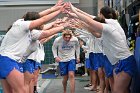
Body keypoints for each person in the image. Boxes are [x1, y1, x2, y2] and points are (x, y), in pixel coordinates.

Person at [68, 4, 136, 93]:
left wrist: (75, 12)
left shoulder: (110, 26)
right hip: (118, 61)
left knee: (117, 90)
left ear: (102, 15)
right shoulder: (111, 24)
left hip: (124, 61)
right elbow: (93, 24)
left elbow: (91, 21)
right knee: (121, 89)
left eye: (99, 15)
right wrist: (76, 13)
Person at [0, 2, 65, 93]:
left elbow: (42, 22)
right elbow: (42, 21)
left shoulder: (28, 30)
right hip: (8, 60)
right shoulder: (21, 24)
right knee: (21, 90)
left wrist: (54, 9)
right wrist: (59, 13)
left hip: (9, 60)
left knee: (10, 91)